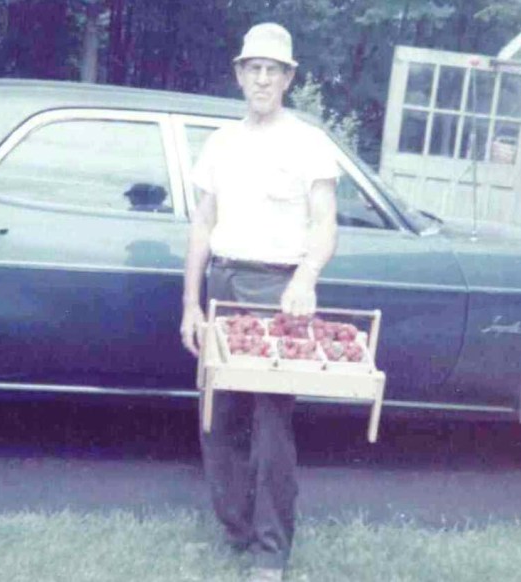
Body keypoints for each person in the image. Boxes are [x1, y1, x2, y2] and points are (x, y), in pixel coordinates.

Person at [180, 22, 339, 582]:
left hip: (278, 292)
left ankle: (271, 553)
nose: (263, 77)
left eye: (274, 69)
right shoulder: (221, 143)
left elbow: (325, 224)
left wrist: (306, 279)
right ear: (240, 75)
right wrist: (191, 305)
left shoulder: (308, 142)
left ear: (289, 78)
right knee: (216, 420)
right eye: (254, 68)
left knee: (271, 426)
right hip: (222, 286)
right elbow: (202, 224)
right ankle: (238, 530)